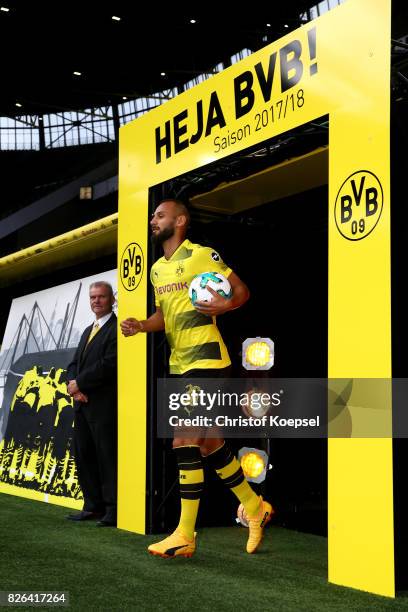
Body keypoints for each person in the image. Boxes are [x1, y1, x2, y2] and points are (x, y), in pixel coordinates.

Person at [121, 198, 273, 557]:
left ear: (181, 220)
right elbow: (164, 315)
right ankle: (254, 507)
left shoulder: (203, 255)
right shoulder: (157, 269)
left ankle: (185, 534)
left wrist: (225, 305)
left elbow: (241, 292)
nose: (153, 220)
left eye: (160, 215)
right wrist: (142, 325)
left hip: (207, 359)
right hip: (180, 364)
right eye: (153, 216)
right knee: (208, 444)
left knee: (184, 440)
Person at [66, 281, 117, 527]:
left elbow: (109, 364)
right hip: (82, 404)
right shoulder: (88, 330)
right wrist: (74, 387)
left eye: (101, 297)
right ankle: (92, 506)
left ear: (112, 299)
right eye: (93, 297)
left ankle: (112, 509)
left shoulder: (116, 329)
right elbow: (74, 364)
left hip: (103, 405)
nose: (96, 301)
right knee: (84, 455)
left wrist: (81, 384)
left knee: (106, 456)